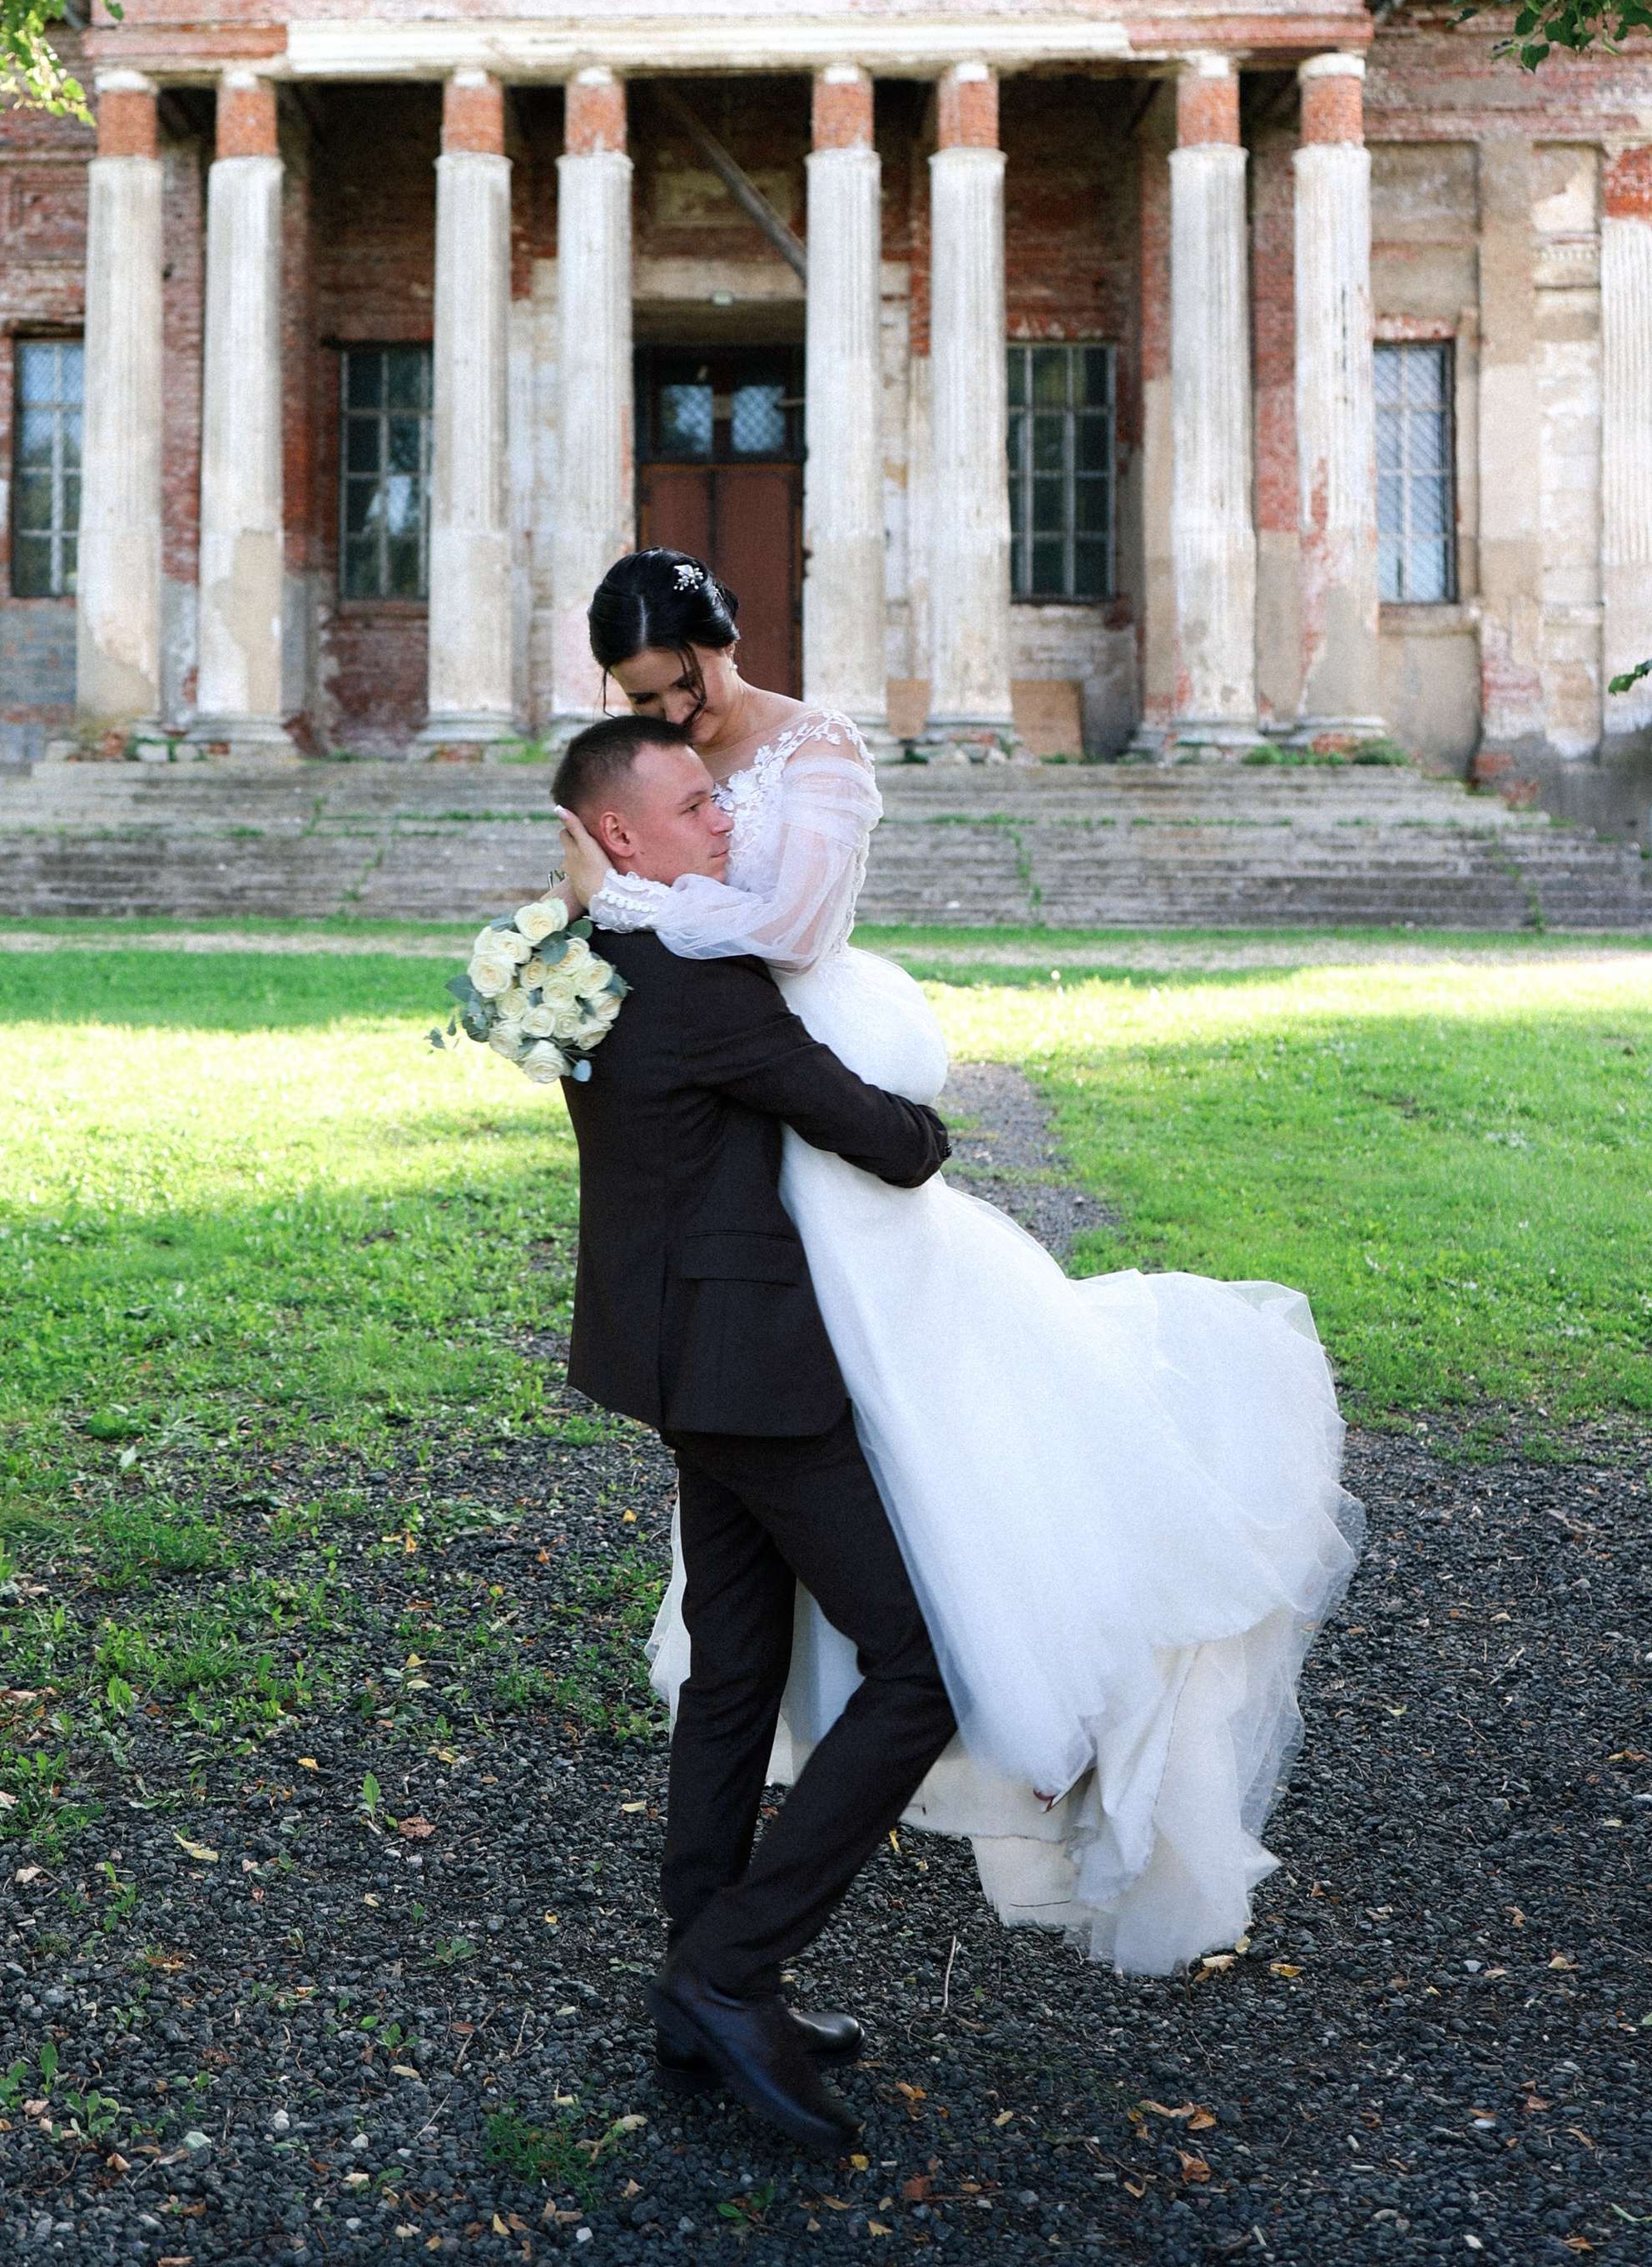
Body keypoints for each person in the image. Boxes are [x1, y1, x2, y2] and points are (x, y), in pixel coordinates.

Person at [557, 548, 1364, 1981]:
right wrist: (615, 913)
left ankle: (720, 1961)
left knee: (912, 1461)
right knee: (813, 1624)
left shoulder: (794, 767)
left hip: (786, 1162)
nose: (674, 717)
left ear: (723, 640)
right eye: (642, 700)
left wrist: (626, 907)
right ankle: (718, 1967)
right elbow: (693, 1021)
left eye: (682, 684)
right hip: (748, 1207)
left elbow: (793, 927)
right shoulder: (650, 848)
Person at [549, 712, 955, 2153]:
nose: (727, 818)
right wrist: (929, 1124)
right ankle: (729, 1967)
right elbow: (882, 1135)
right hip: (752, 1369)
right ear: (620, 835)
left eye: (720, 796)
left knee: (735, 1668)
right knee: (921, 1671)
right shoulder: (700, 980)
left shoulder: (583, 959)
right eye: (694, 804)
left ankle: (698, 1981)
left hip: (671, 1355)